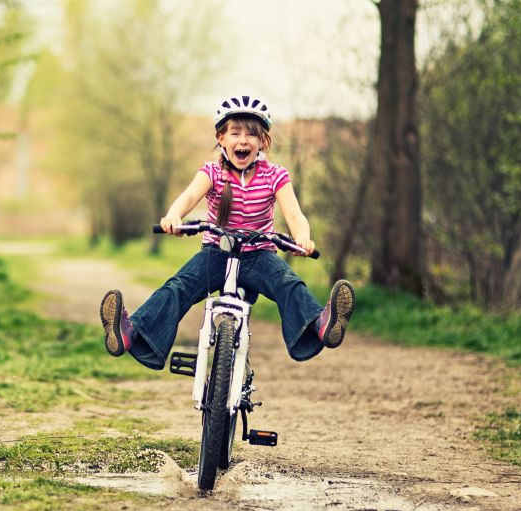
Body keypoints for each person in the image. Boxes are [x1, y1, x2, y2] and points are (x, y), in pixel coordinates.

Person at [99, 95, 354, 370]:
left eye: (251, 135)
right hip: (216, 254)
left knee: (288, 283)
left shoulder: (274, 175)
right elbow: (188, 197)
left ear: (263, 142)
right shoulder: (212, 172)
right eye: (235, 133)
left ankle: (320, 324)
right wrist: (173, 216)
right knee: (178, 287)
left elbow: (294, 214)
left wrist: (302, 236)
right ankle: (131, 333)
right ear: (221, 138)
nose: (243, 140)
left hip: (258, 256)